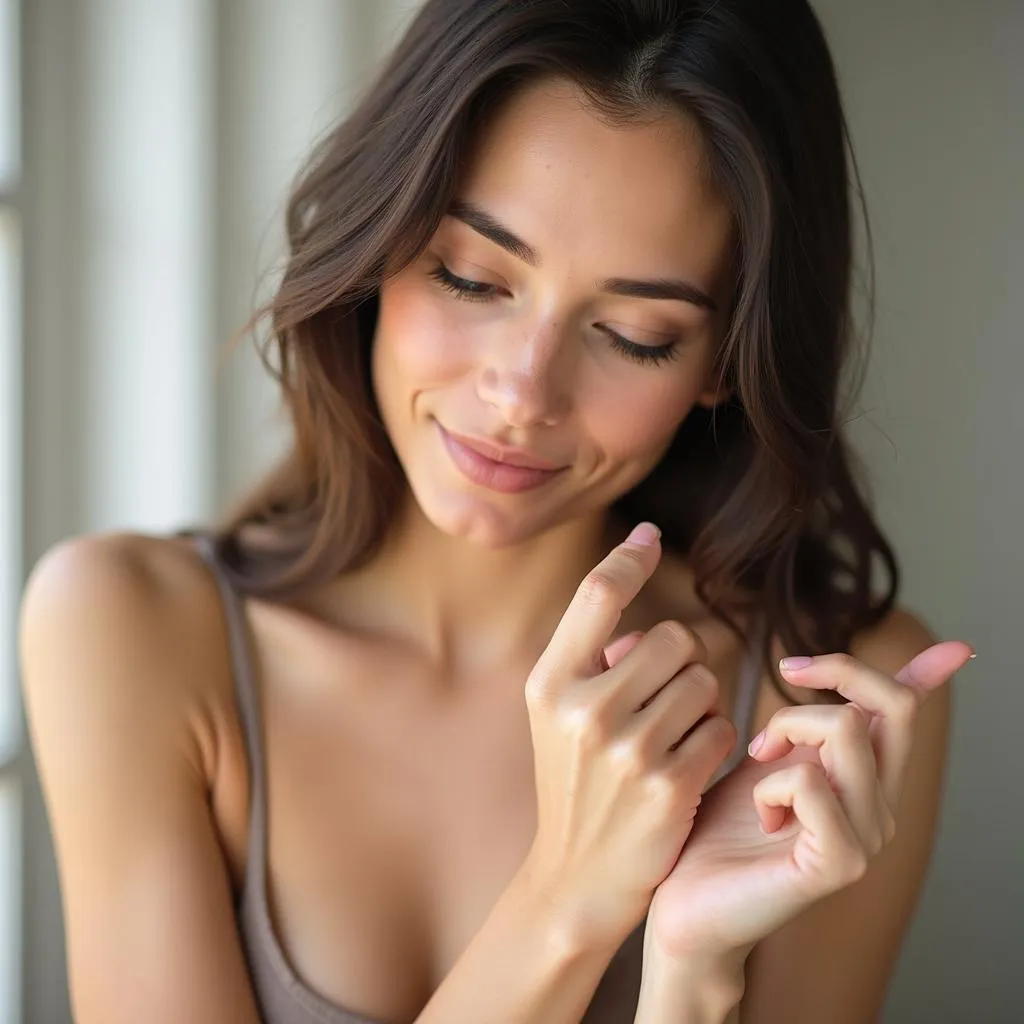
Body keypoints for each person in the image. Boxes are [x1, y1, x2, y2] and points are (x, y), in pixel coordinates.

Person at [18, 1, 972, 1022]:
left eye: (636, 334)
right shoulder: (132, 631)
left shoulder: (822, 708)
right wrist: (569, 899)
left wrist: (690, 973)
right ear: (379, 242)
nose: (522, 392)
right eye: (470, 276)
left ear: (723, 366)